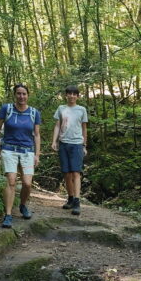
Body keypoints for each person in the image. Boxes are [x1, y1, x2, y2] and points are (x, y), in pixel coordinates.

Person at [0, 84, 41, 228]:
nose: (21, 97)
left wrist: (37, 154)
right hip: (9, 149)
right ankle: (7, 215)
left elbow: (37, 135)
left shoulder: (34, 112)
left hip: (27, 151)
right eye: (19, 94)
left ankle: (23, 205)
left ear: (28, 95)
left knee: (27, 183)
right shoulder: (6, 109)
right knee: (11, 181)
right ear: (15, 95)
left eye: (24, 94)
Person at [51, 85, 88, 216]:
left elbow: (84, 128)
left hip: (77, 144)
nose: (72, 96)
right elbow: (57, 125)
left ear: (77, 96)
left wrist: (84, 145)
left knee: (76, 173)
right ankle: (71, 198)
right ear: (66, 95)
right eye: (69, 93)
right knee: (66, 173)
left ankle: (77, 202)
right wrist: (54, 141)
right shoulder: (61, 108)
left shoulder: (82, 109)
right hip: (63, 143)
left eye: (74, 94)